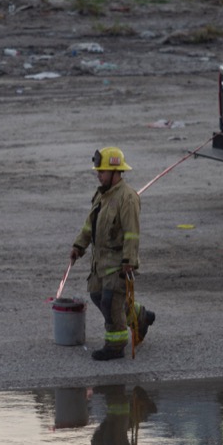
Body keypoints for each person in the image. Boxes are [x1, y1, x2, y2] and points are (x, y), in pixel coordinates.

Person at [70, 146, 155, 360]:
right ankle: (139, 316)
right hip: (100, 261)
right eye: (98, 171)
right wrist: (79, 246)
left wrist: (129, 261)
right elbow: (90, 225)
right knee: (97, 295)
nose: (98, 175)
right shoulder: (102, 196)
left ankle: (115, 346)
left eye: (102, 171)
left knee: (110, 302)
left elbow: (132, 233)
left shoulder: (128, 198)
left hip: (118, 262)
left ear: (116, 173)